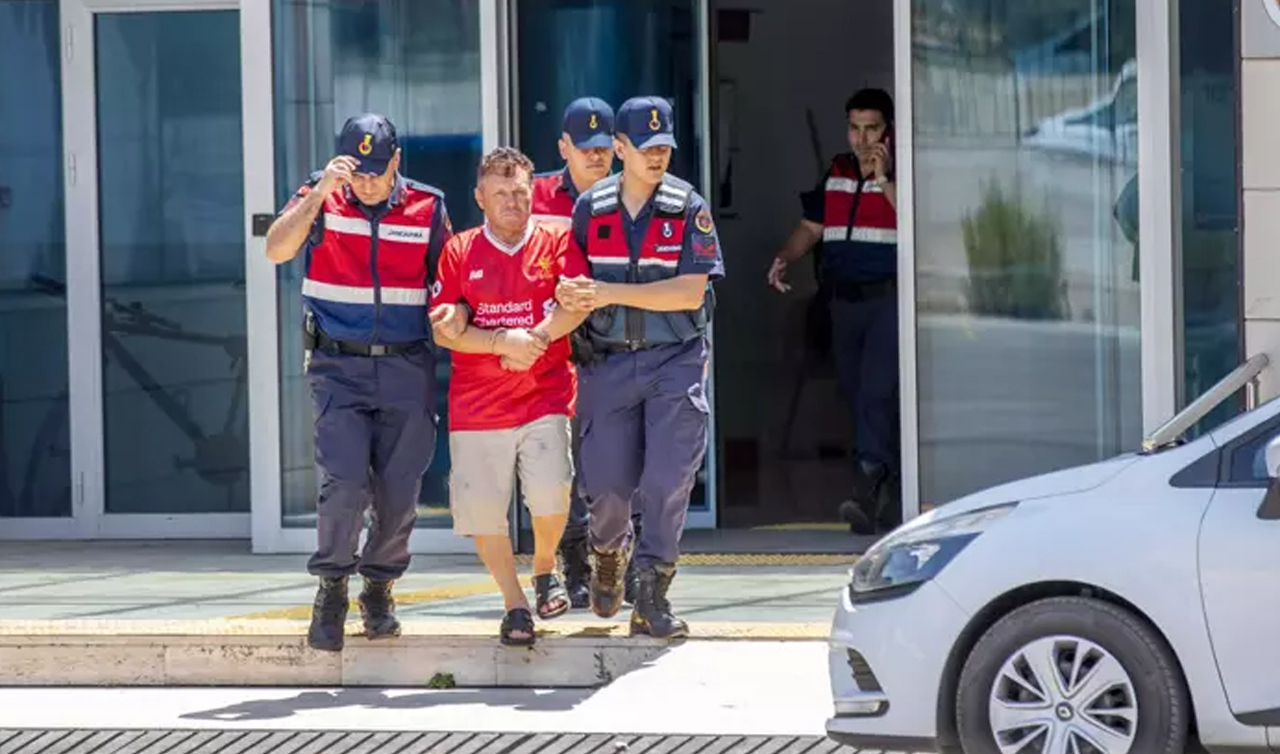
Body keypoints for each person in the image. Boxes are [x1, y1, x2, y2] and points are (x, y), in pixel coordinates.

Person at [265, 113, 453, 652]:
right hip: (338, 368)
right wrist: (321, 193)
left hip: (406, 367)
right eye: (358, 171)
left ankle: (378, 587)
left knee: (399, 493)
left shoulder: (427, 206)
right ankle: (331, 587)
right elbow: (276, 248)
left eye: (377, 171)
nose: (367, 182)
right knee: (344, 483)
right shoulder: (322, 196)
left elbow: (449, 279)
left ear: (397, 161)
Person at [556, 96, 725, 639]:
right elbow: (573, 283)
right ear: (620, 148)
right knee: (606, 486)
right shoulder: (591, 209)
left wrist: (609, 291)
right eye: (646, 147)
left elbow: (690, 291)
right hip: (607, 363)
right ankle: (608, 553)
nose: (657, 157)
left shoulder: (688, 206)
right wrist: (567, 301)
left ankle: (652, 593)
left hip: (675, 360)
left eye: (664, 148)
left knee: (668, 479)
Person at [428, 147, 591, 646]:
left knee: (552, 489)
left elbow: (576, 305)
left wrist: (534, 339)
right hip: (477, 405)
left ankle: (544, 569)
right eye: (500, 193)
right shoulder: (459, 250)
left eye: (520, 192)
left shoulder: (558, 240)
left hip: (545, 394)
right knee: (483, 511)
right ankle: (514, 603)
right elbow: (447, 329)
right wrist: (501, 342)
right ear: (480, 198)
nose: (512, 202)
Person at [766, 88, 901, 536]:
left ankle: (871, 492)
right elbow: (812, 227)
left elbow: (914, 219)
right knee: (855, 394)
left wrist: (884, 179)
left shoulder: (901, 173)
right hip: (842, 304)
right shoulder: (838, 172)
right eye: (855, 128)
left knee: (877, 394)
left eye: (872, 129)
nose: (862, 139)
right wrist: (785, 257)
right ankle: (884, 496)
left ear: (888, 132)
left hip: (886, 301)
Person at [528, 96, 633, 610]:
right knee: (562, 464)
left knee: (617, 461)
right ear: (563, 147)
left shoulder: (633, 193)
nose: (596, 157)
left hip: (618, 347)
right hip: (555, 347)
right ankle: (573, 567)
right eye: (585, 147)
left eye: (603, 148)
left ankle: (621, 562)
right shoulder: (536, 196)